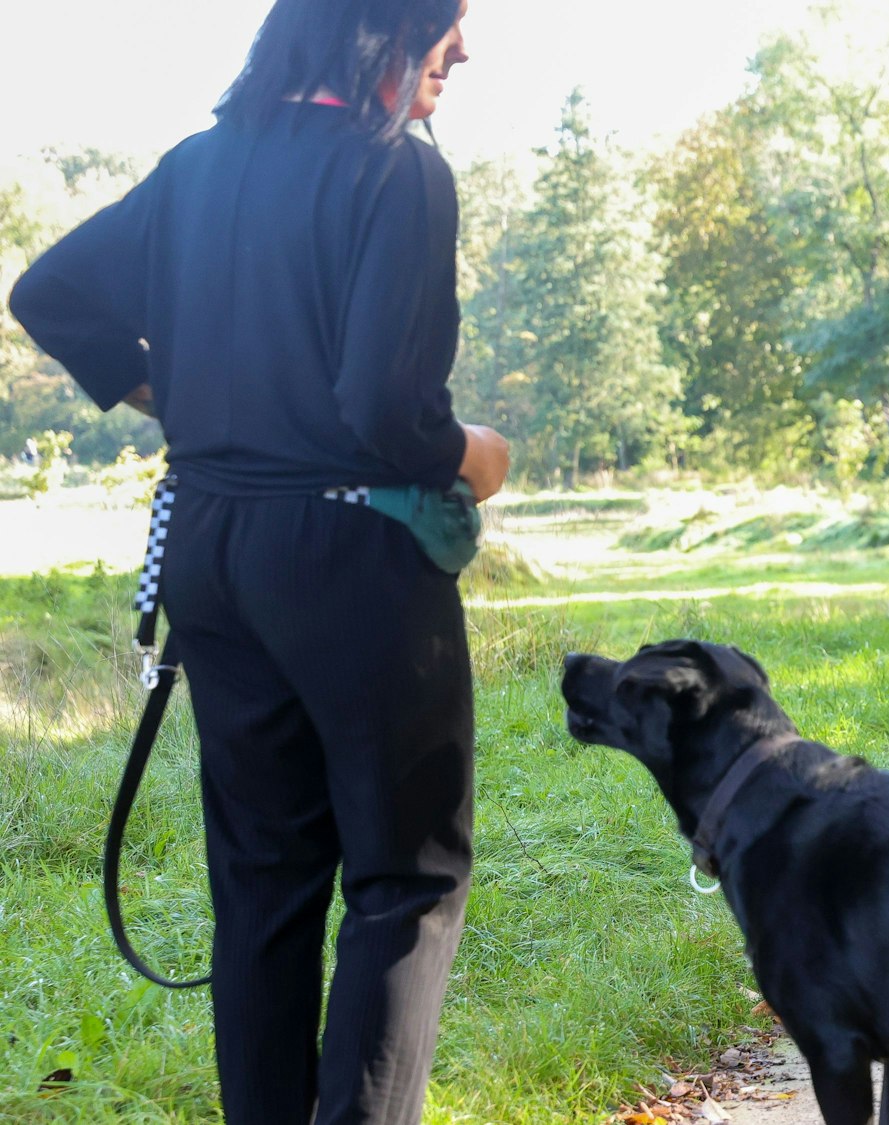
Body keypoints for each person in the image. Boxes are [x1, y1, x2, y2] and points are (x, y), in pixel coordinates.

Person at [8, 1, 507, 1120]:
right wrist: (474, 454)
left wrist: (181, 397)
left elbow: (48, 295)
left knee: (265, 886)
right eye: (452, 20)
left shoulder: (195, 169)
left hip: (210, 547)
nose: (463, 49)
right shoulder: (400, 176)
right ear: (381, 25)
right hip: (352, 557)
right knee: (404, 883)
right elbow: (385, 412)